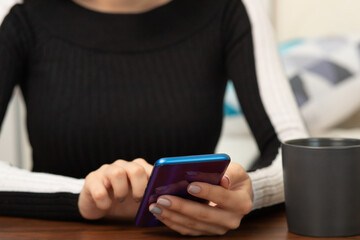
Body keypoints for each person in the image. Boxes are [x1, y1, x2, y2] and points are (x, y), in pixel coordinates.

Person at [0, 0, 308, 236]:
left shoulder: (233, 10)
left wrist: (251, 192)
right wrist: (84, 197)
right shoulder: (20, 14)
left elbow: (298, 156)